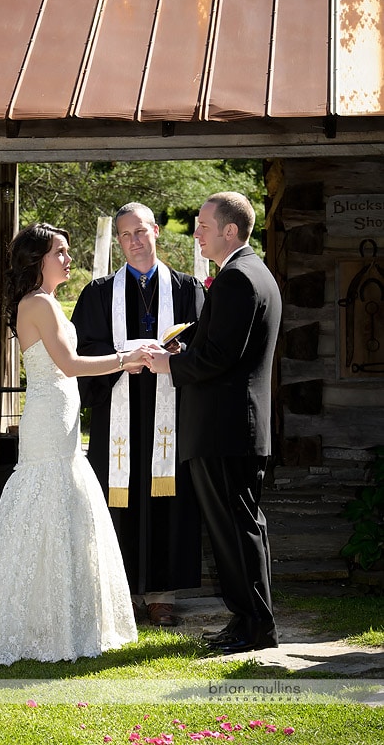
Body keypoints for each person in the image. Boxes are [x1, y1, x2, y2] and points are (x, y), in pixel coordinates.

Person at [0, 222, 147, 667]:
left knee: (65, 500)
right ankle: (34, 623)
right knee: (45, 499)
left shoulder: (46, 302)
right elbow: (69, 364)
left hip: (59, 413)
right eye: (61, 252)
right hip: (48, 418)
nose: (68, 259)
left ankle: (64, 617)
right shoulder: (37, 303)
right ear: (38, 259)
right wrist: (125, 360)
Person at [146, 192, 282, 654]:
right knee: (238, 527)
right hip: (233, 425)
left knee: (236, 529)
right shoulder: (251, 272)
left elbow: (222, 358)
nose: (196, 232)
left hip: (226, 428)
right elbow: (225, 351)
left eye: (203, 225)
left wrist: (167, 366)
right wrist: (185, 353)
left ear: (229, 230)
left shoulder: (238, 279)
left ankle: (254, 628)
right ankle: (246, 620)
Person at [71, 202, 204, 626]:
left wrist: (179, 353)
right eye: (125, 235)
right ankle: (117, 590)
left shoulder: (186, 289)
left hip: (170, 412)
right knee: (118, 497)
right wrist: (123, 357)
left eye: (141, 232)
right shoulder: (97, 293)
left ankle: (162, 594)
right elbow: (80, 353)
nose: (134, 242)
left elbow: (205, 348)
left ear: (156, 232)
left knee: (167, 497)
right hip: (118, 413)